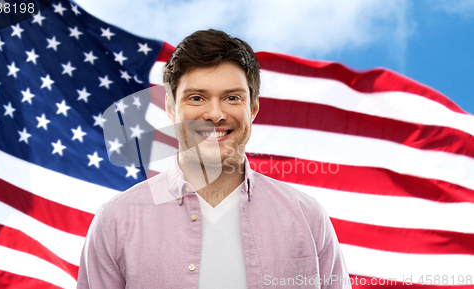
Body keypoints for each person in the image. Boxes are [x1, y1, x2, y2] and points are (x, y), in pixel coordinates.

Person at [77, 29, 350, 289]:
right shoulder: (116, 221)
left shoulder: (307, 217)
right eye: (196, 98)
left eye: (232, 97)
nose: (215, 114)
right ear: (170, 108)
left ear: (253, 108)